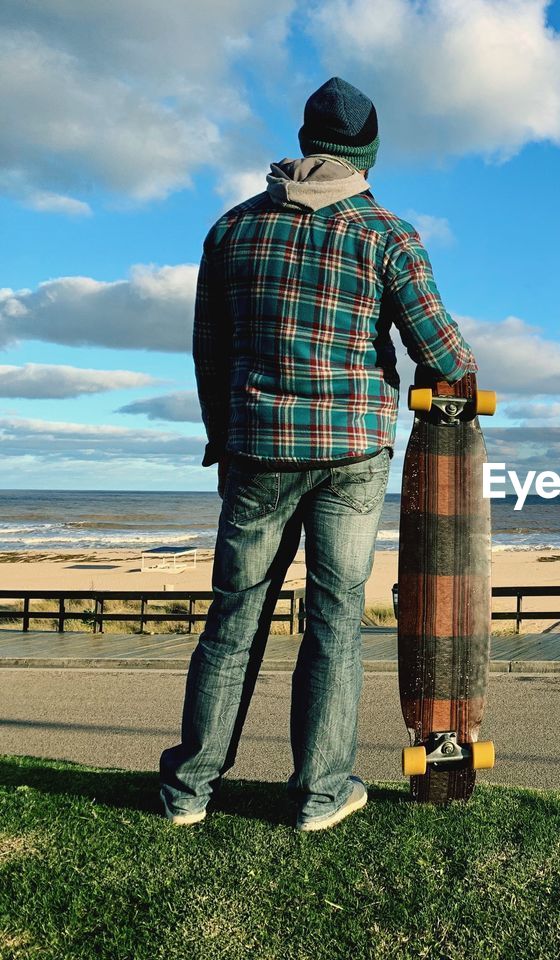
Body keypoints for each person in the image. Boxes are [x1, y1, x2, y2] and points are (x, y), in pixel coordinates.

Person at [159, 77, 476, 832]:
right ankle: (319, 792)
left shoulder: (232, 229)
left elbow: (209, 352)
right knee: (336, 620)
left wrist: (222, 436)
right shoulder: (387, 234)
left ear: (304, 142)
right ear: (367, 152)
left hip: (255, 448)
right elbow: (441, 352)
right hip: (352, 454)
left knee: (234, 618)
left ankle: (189, 790)